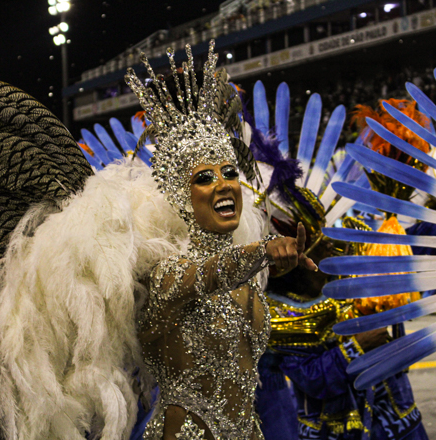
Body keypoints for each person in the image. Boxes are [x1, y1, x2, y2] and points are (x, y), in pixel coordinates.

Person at [124, 42, 316, 439]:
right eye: (204, 177)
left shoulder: (247, 280)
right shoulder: (168, 275)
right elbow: (211, 272)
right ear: (181, 196)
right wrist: (263, 251)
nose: (223, 184)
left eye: (229, 172)